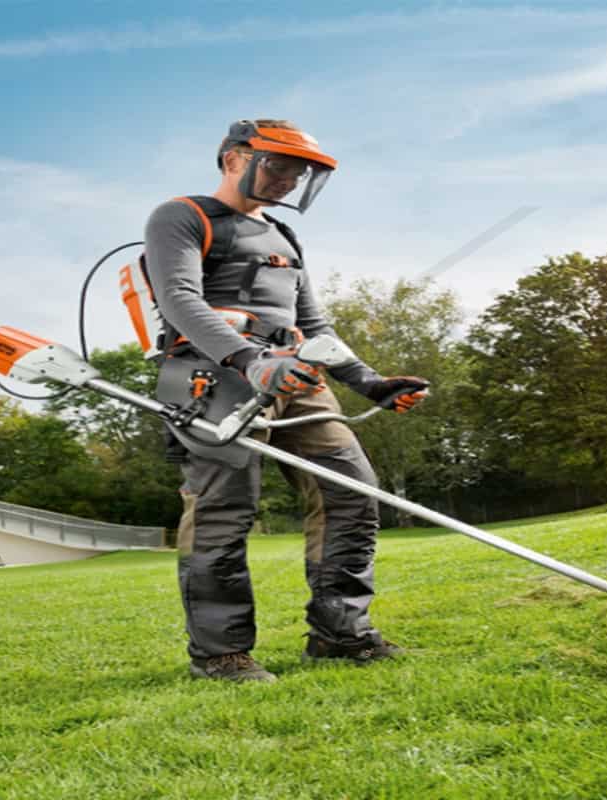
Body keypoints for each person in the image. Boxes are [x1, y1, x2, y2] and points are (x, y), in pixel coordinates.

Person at [143, 119, 429, 683]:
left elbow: (313, 324)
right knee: (224, 511)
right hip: (216, 378)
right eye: (278, 166)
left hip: (297, 378)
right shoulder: (181, 216)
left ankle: (339, 634)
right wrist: (252, 361)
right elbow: (178, 298)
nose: (289, 180)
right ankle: (221, 654)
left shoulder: (283, 235)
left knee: (350, 491)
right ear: (232, 159)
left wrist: (370, 383)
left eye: (298, 172)